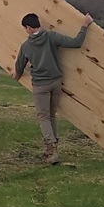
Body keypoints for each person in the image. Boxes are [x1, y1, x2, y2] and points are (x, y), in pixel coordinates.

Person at [12, 12, 94, 165]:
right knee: (51, 115)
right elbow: (76, 42)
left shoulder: (26, 46)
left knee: (43, 117)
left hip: (40, 85)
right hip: (56, 82)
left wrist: (16, 74)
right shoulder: (52, 37)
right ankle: (53, 147)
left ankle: (52, 150)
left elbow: (18, 68)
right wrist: (84, 25)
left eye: (25, 28)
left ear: (29, 28)